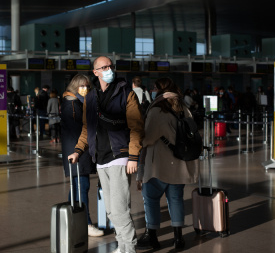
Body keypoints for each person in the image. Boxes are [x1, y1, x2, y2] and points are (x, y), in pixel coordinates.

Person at [68, 56, 144, 253]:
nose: (108, 69)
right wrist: (78, 150)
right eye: (104, 67)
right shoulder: (91, 97)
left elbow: (136, 126)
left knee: (119, 209)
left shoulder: (126, 92)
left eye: (110, 66)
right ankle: (122, 244)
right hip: (100, 158)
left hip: (120, 155)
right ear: (95, 72)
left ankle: (129, 248)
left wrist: (134, 156)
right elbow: (87, 128)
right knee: (111, 210)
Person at [135, 77, 198, 250]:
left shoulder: (157, 110)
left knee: (151, 199)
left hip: (159, 166)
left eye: (154, 87)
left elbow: (148, 138)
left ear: (159, 89)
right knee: (176, 199)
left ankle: (153, 236)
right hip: (180, 163)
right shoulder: (184, 108)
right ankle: (179, 238)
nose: (152, 90)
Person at [60, 73, 104, 237]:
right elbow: (81, 129)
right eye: (82, 86)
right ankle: (85, 223)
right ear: (74, 86)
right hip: (77, 152)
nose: (85, 89)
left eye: (87, 86)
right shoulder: (72, 104)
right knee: (82, 186)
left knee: (77, 187)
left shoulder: (75, 102)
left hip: (77, 151)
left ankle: (76, 221)